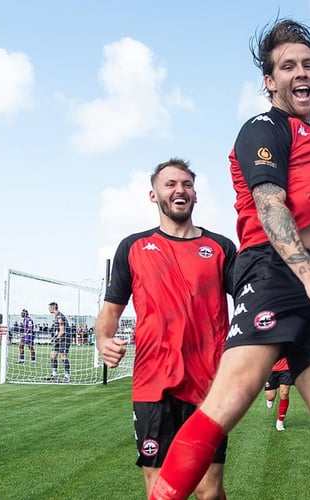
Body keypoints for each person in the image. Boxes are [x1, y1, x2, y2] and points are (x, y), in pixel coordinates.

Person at [151, 19, 310, 500]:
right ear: (270, 82)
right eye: (287, 66)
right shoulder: (263, 126)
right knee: (228, 401)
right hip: (274, 270)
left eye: (308, 64)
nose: (300, 72)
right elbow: (269, 202)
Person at [95, 158, 236, 499]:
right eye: (170, 184)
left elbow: (251, 302)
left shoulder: (221, 248)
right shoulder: (133, 247)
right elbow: (111, 311)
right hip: (152, 382)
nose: (179, 190)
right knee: (159, 488)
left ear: (195, 195)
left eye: (186, 184)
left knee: (209, 490)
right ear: (153, 194)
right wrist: (102, 338)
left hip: (208, 384)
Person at [264, 357, 294, 431]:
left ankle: (280, 421)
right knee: (270, 397)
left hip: (286, 368)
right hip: (270, 368)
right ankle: (270, 399)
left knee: (284, 393)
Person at [47, 302, 71, 382]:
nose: (48, 309)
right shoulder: (56, 316)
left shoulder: (60, 317)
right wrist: (55, 336)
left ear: (53, 307)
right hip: (59, 338)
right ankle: (54, 374)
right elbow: (58, 330)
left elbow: (62, 331)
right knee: (52, 355)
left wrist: (56, 338)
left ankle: (67, 377)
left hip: (65, 339)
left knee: (63, 356)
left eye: (49, 307)